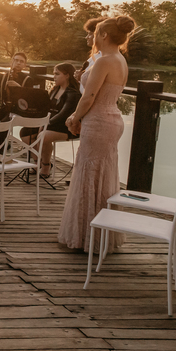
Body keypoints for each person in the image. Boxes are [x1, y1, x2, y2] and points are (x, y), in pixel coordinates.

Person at [57, 16, 134, 251]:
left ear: (104, 35)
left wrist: (74, 118)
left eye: (97, 32)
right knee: (104, 175)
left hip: (98, 121)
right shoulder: (120, 60)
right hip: (112, 119)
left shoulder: (104, 61)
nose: (93, 37)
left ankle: (86, 236)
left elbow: (89, 97)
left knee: (89, 174)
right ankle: (101, 234)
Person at [21, 63, 81, 177]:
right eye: (54, 74)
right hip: (50, 123)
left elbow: (63, 114)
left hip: (65, 126)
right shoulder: (54, 90)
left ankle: (46, 166)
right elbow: (45, 109)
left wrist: (45, 124)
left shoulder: (73, 94)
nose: (54, 77)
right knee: (25, 133)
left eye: (57, 74)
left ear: (67, 75)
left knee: (44, 136)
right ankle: (37, 162)